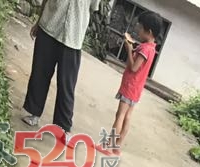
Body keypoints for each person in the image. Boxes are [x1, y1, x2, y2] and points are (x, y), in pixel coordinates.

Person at [21, 0, 101, 142]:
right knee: (40, 74)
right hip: (49, 28)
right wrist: (38, 22)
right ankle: (34, 113)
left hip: (73, 38)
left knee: (66, 85)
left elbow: (91, 9)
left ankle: (63, 127)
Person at [109, 9, 163, 154]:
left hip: (130, 86)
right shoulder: (151, 48)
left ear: (149, 31)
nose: (138, 29)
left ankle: (109, 145)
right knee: (127, 117)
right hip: (137, 89)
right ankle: (117, 147)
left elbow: (133, 67)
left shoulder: (144, 49)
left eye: (140, 27)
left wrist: (129, 49)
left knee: (119, 116)